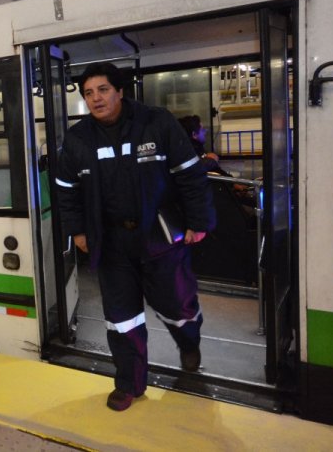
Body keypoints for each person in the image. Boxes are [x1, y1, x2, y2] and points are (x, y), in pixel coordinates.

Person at [55, 63, 215, 412]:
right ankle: (129, 383)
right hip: (111, 244)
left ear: (119, 91)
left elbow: (190, 174)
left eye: (103, 90)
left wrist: (199, 221)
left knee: (178, 306)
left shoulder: (156, 122)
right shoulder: (78, 138)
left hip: (160, 238)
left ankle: (189, 342)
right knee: (121, 318)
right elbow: (66, 189)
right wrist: (78, 230)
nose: (96, 98)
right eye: (88, 93)